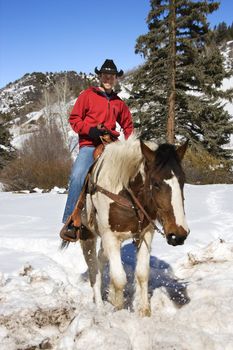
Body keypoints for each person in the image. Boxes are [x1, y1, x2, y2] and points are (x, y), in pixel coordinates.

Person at [61, 59, 134, 241]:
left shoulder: (119, 103)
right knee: (78, 176)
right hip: (89, 145)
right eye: (105, 74)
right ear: (100, 76)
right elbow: (74, 119)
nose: (108, 78)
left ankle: (135, 219)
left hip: (111, 145)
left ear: (116, 78)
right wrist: (90, 130)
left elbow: (128, 125)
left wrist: (129, 144)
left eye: (112, 75)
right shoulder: (87, 95)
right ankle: (72, 220)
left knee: (131, 174)